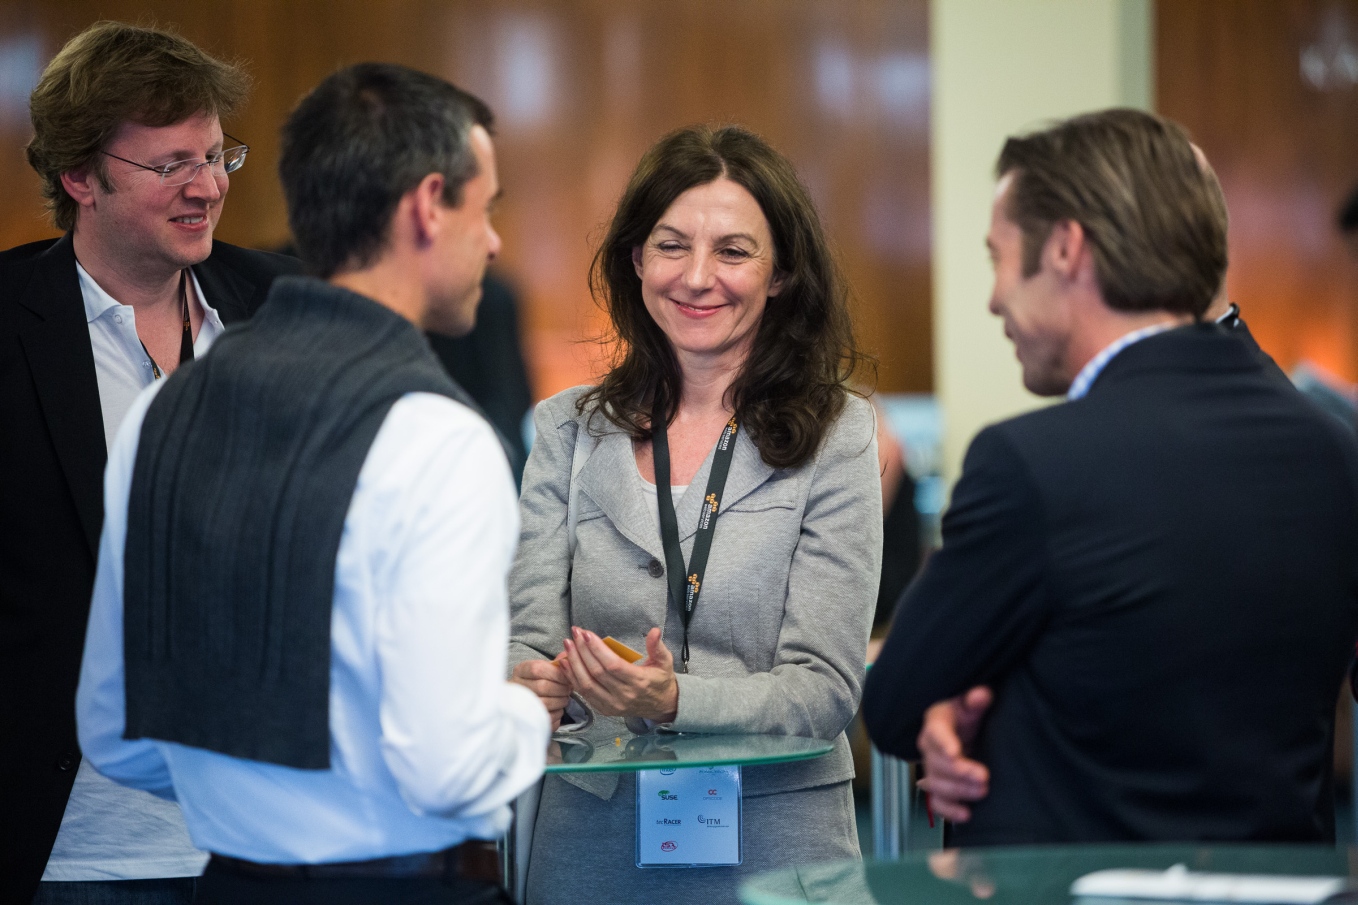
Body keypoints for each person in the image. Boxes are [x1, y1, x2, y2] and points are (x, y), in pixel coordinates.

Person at [75, 62, 548, 903]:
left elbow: (116, 734)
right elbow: (448, 769)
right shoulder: (437, 438)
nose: (493, 242)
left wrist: (257, 794)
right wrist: (522, 715)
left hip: (230, 883)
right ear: (427, 206)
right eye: (486, 209)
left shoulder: (162, 413)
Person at [862, 108, 1358, 846]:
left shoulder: (1031, 464)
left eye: (999, 257)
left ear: (1066, 249)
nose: (994, 297)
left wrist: (956, 706)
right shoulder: (1335, 450)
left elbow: (897, 700)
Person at [508, 124, 882, 904]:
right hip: (591, 848)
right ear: (636, 260)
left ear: (782, 274)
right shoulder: (566, 428)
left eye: (734, 251)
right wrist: (525, 682)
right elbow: (530, 642)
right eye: (671, 246)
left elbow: (823, 688)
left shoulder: (838, 433)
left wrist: (676, 698)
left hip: (778, 848)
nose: (698, 277)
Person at [0, 21, 298, 902]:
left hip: (265, 838)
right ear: (80, 177)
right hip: (73, 848)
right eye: (170, 165)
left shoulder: (284, 305)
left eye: (215, 156)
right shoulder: (11, 321)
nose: (207, 186)